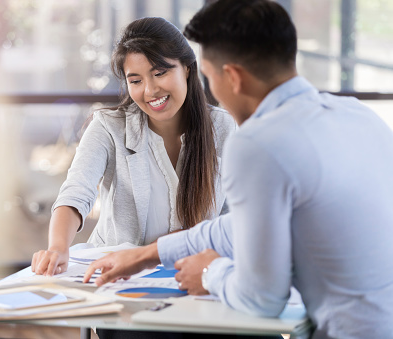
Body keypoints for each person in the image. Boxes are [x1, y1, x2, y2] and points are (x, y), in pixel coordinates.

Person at [83, 1, 393, 338]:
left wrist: (210, 273)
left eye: (209, 77)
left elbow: (262, 299)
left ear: (232, 77)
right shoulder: (358, 116)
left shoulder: (259, 143)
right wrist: (151, 254)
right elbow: (247, 223)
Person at [31, 17, 236, 277]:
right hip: (115, 276)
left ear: (186, 68)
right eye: (136, 80)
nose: (150, 90)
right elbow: (76, 192)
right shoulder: (108, 127)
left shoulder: (223, 128)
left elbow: (233, 220)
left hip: (192, 276)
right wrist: (58, 247)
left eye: (160, 73)